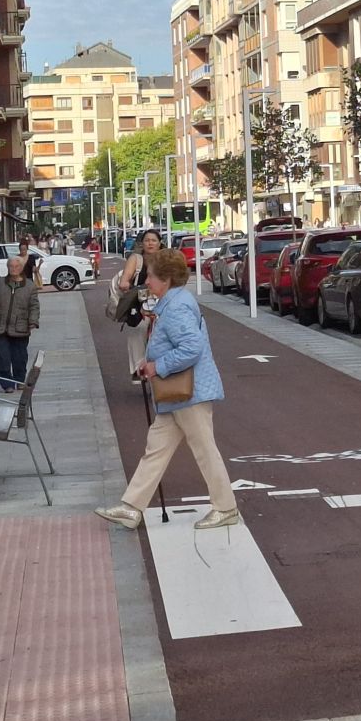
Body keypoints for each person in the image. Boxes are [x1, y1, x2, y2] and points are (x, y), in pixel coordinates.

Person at [96, 249, 238, 531]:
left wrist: (156, 366)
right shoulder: (175, 302)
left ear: (166, 279)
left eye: (151, 276)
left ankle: (225, 508)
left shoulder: (175, 308)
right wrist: (151, 363)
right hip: (179, 394)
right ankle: (132, 506)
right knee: (156, 450)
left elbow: (192, 348)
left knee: (203, 450)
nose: (147, 281)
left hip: (189, 393)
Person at [110, 227, 163, 374]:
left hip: (163, 299)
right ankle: (138, 369)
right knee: (139, 328)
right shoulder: (136, 259)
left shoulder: (165, 258)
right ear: (142, 243)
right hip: (141, 301)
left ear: (160, 243)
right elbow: (125, 278)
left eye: (154, 240)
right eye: (147, 240)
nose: (150, 243)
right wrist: (125, 283)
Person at [0, 250, 42, 391]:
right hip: (0, 326)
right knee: (3, 357)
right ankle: (7, 384)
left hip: (20, 326)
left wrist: (33, 321)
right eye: (11, 266)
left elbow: (34, 305)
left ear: (22, 268)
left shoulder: (29, 286)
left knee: (20, 357)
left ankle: (19, 379)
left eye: (17, 266)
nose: (13, 269)